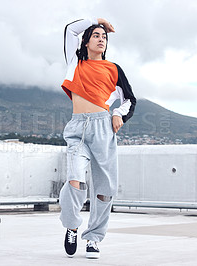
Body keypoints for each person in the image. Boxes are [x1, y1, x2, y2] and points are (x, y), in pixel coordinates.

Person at [59, 18, 136, 259]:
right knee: (75, 179)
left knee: (105, 189)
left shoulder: (114, 69)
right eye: (96, 35)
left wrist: (116, 113)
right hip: (78, 130)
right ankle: (72, 224)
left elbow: (130, 100)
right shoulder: (75, 61)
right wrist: (98, 21)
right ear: (86, 40)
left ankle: (93, 238)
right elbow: (70, 29)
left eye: (104, 36)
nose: (101, 39)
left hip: (103, 128)